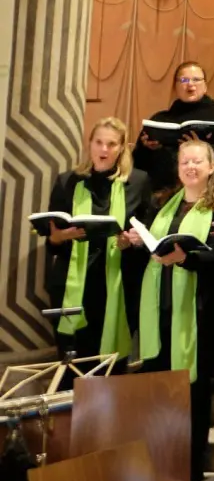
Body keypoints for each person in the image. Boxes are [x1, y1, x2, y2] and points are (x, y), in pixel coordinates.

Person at [134, 139, 214, 481]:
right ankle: (160, 460)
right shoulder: (165, 204)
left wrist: (186, 258)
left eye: (197, 162)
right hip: (159, 310)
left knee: (193, 392)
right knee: (158, 390)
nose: (190, 167)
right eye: (184, 162)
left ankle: (190, 465)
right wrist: (138, 241)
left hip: (199, 312)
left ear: (211, 167)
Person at [46, 118, 151, 365]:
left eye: (111, 144)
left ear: (122, 147)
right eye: (99, 142)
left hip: (118, 284)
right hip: (72, 286)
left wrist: (133, 240)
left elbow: (146, 234)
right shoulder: (68, 181)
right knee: (72, 364)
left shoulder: (138, 182)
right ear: (90, 143)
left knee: (110, 365)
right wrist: (58, 237)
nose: (104, 150)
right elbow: (52, 239)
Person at [134, 62, 214, 199]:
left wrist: (201, 149)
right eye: (184, 80)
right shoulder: (160, 119)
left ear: (205, 85)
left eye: (196, 79)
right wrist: (146, 148)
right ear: (175, 86)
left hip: (206, 194)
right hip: (162, 192)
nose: (190, 84)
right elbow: (137, 163)